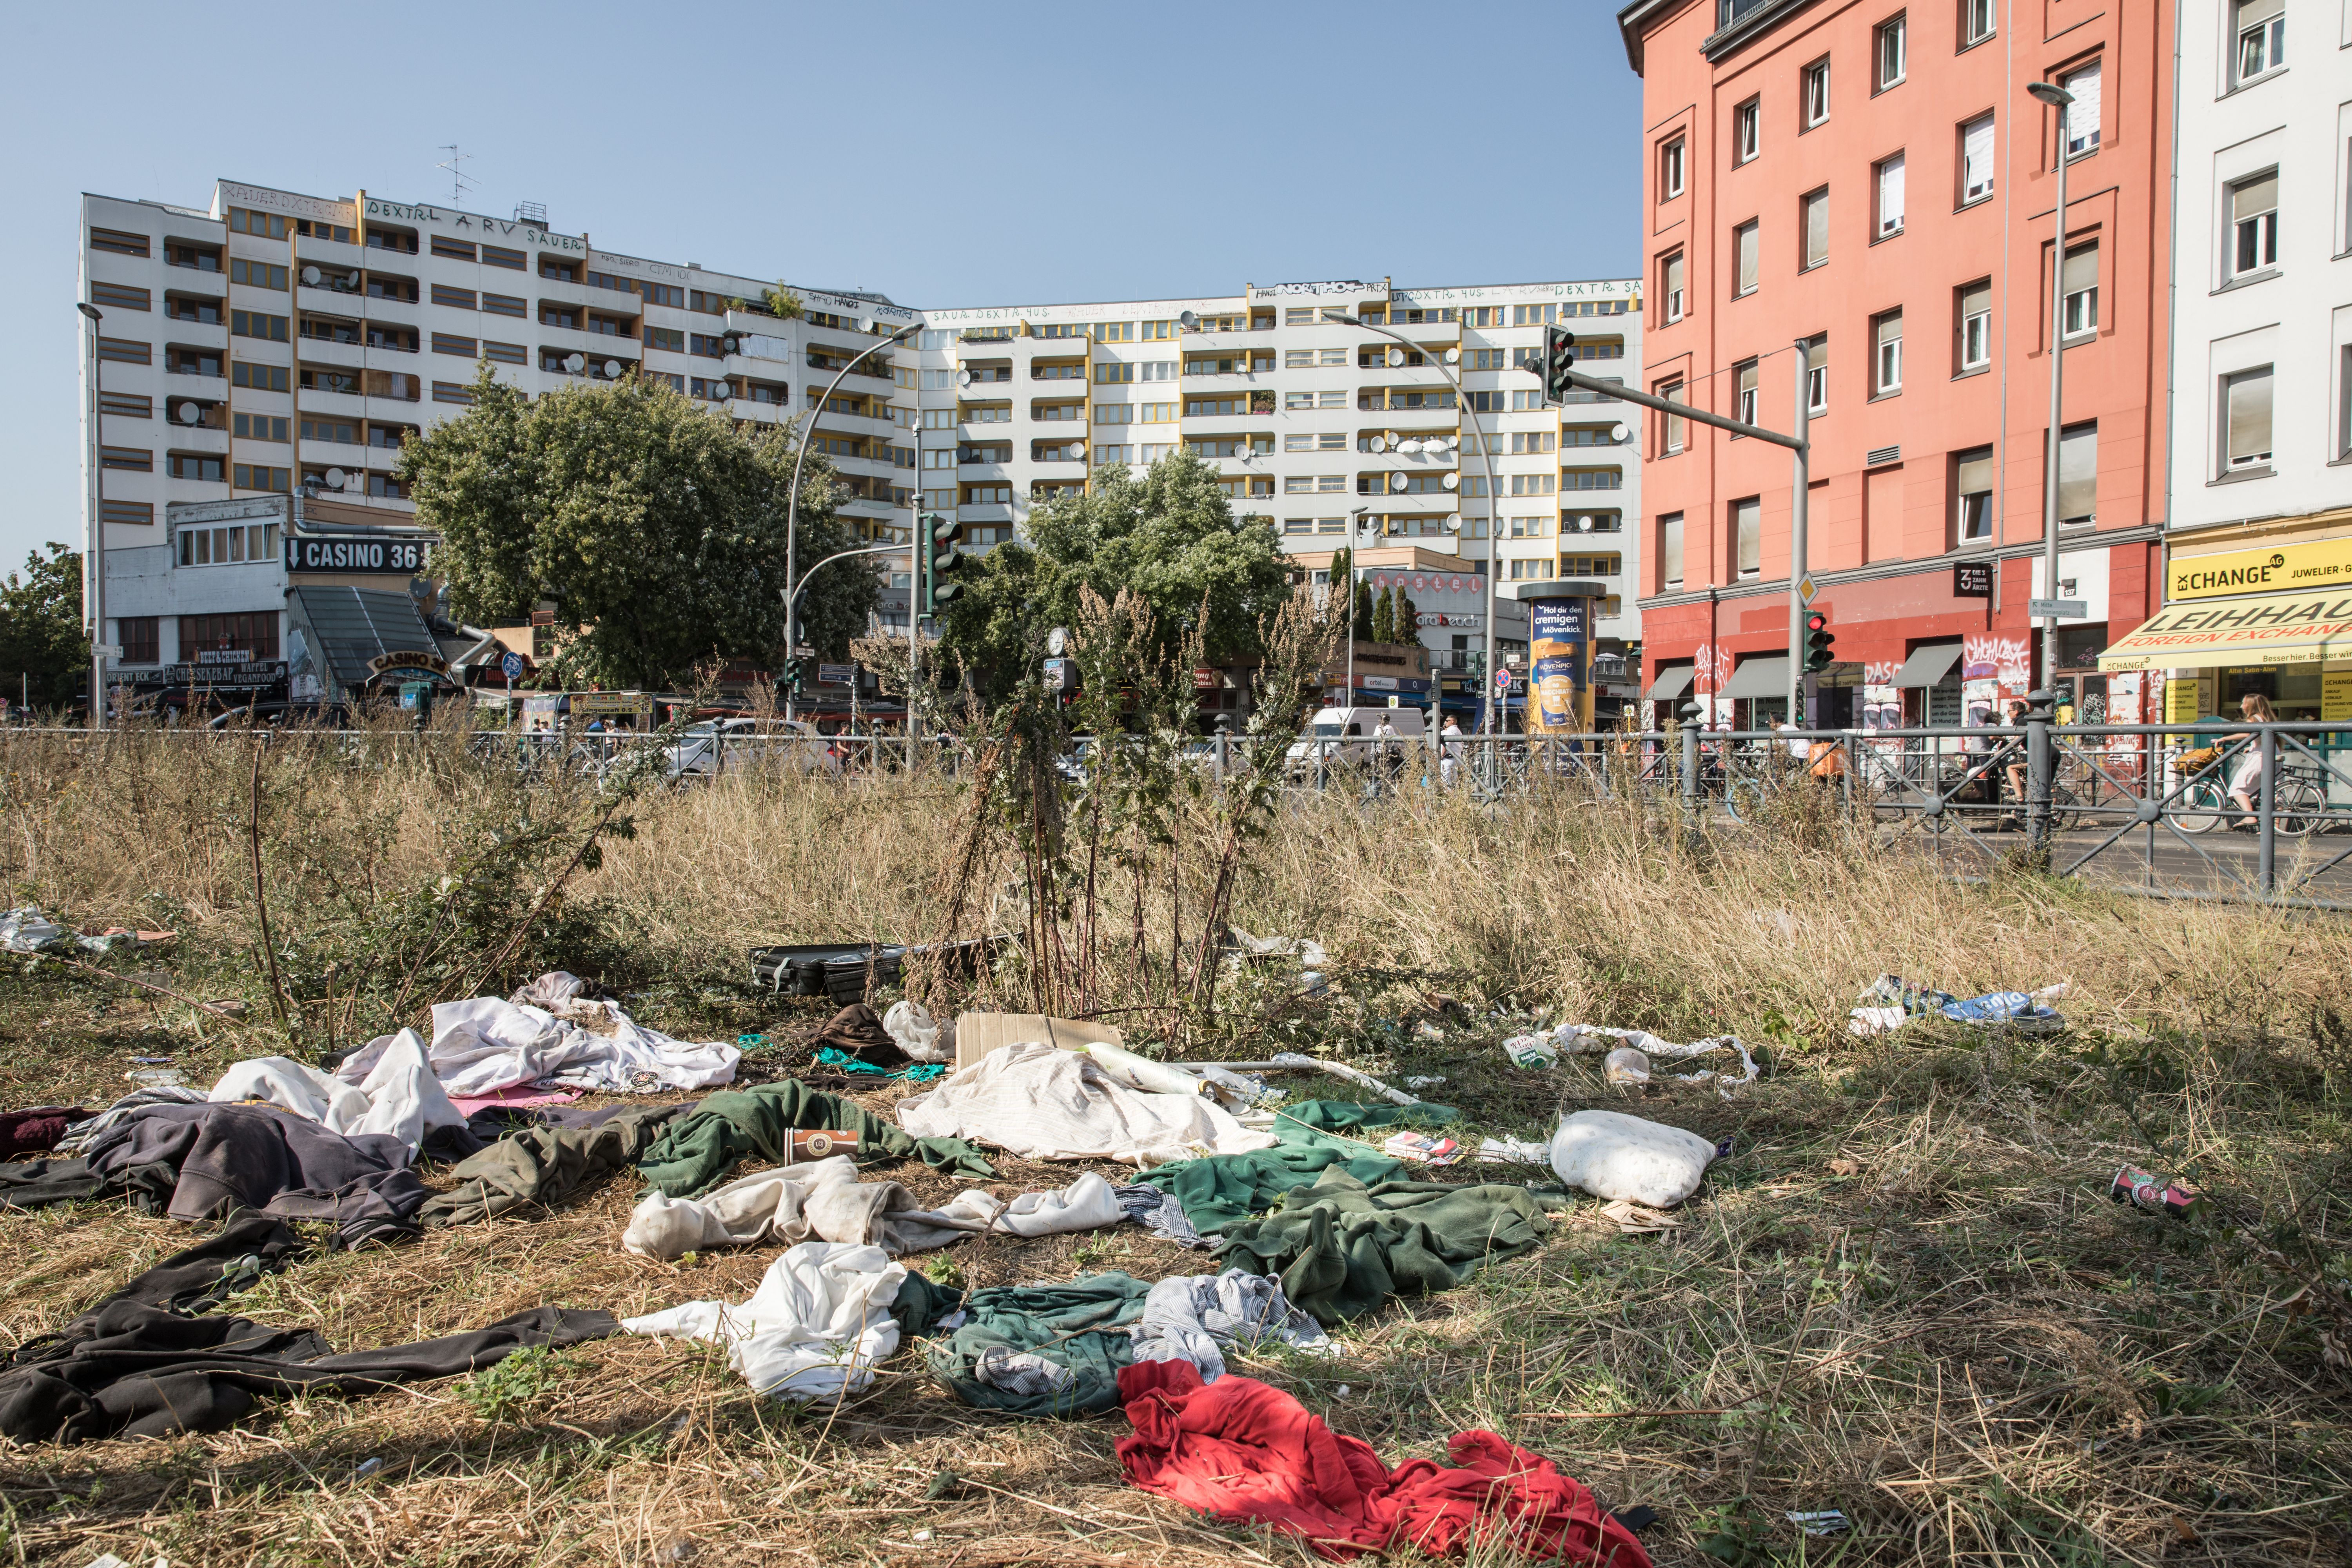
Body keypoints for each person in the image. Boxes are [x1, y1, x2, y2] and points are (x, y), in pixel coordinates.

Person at [2226, 692, 2277, 828]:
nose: (2242, 706)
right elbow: (2260, 738)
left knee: (2237, 788)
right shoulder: (2268, 718)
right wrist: (2252, 747)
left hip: (2260, 759)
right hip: (2273, 756)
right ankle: (2272, 828)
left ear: (2251, 706)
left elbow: (2247, 734)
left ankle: (2250, 817)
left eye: (2244, 703)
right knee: (2270, 792)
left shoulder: (2253, 719)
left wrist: (2225, 738)